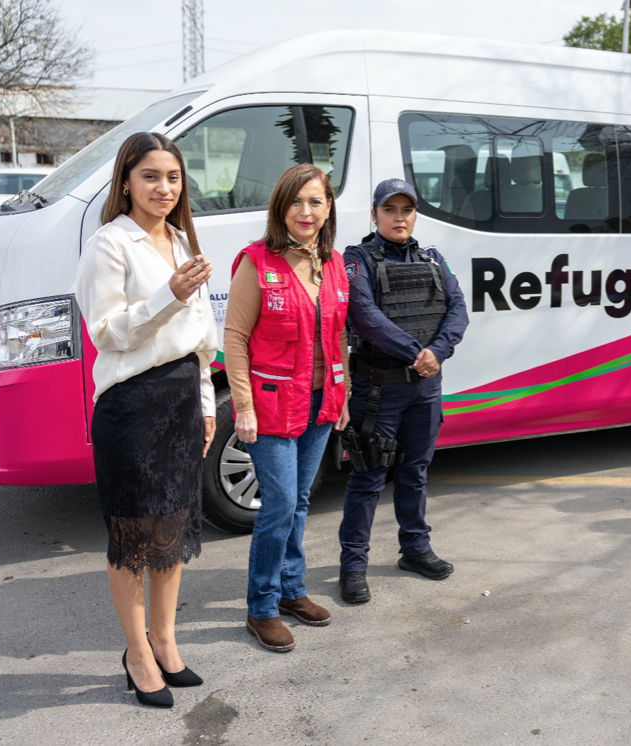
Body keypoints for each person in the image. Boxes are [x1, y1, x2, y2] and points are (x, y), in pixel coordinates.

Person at [74, 132, 217, 708]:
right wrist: (169, 295)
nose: (164, 187)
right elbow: (105, 332)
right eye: (151, 176)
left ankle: (164, 640)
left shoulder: (183, 240)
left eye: (173, 177)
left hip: (183, 395)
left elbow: (201, 337)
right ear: (126, 181)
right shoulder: (109, 244)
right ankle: (136, 654)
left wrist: (206, 404)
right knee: (134, 537)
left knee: (173, 530)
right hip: (132, 404)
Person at [224, 163, 350, 652]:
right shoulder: (256, 262)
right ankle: (261, 607)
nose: (306, 211)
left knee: (298, 501)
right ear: (280, 207)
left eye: (316, 201)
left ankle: (292, 589)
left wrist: (344, 395)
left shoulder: (332, 262)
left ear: (328, 207)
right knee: (277, 504)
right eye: (296, 201)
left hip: (320, 402)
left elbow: (338, 335)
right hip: (273, 404)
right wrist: (244, 406)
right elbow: (234, 338)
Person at [337, 178, 468, 605]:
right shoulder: (356, 258)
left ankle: (414, 549)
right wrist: (418, 352)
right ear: (374, 215)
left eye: (406, 210)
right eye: (389, 209)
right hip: (379, 390)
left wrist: (438, 352)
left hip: (426, 388)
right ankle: (353, 566)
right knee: (368, 478)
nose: (399, 217)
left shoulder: (432, 257)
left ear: (414, 215)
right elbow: (365, 315)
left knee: (415, 473)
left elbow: (458, 308)